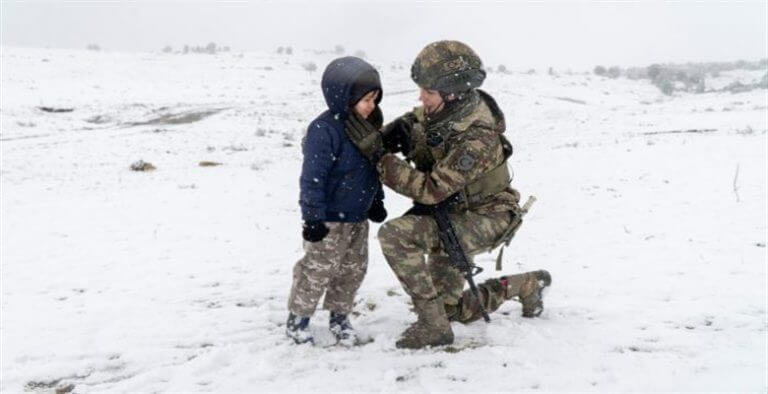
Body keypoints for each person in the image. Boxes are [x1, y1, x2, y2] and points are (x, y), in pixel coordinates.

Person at [344, 40, 551, 349]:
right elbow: (416, 127)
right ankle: (525, 284)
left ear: (451, 93)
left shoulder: (477, 136)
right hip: (452, 211)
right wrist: (386, 137)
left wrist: (380, 158)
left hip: (486, 215)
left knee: (396, 235)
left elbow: (430, 190)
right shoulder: (446, 110)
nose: (421, 97)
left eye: (428, 92)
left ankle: (432, 326)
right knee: (452, 310)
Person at [286, 56, 387, 345]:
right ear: (344, 96)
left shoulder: (368, 127)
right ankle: (298, 319)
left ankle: (340, 317)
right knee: (316, 271)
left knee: (352, 271)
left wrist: (376, 200)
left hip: (358, 217)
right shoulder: (325, 130)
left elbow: (372, 169)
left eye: (375, 99)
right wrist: (312, 218)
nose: (372, 105)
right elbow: (312, 178)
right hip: (328, 219)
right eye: (366, 99)